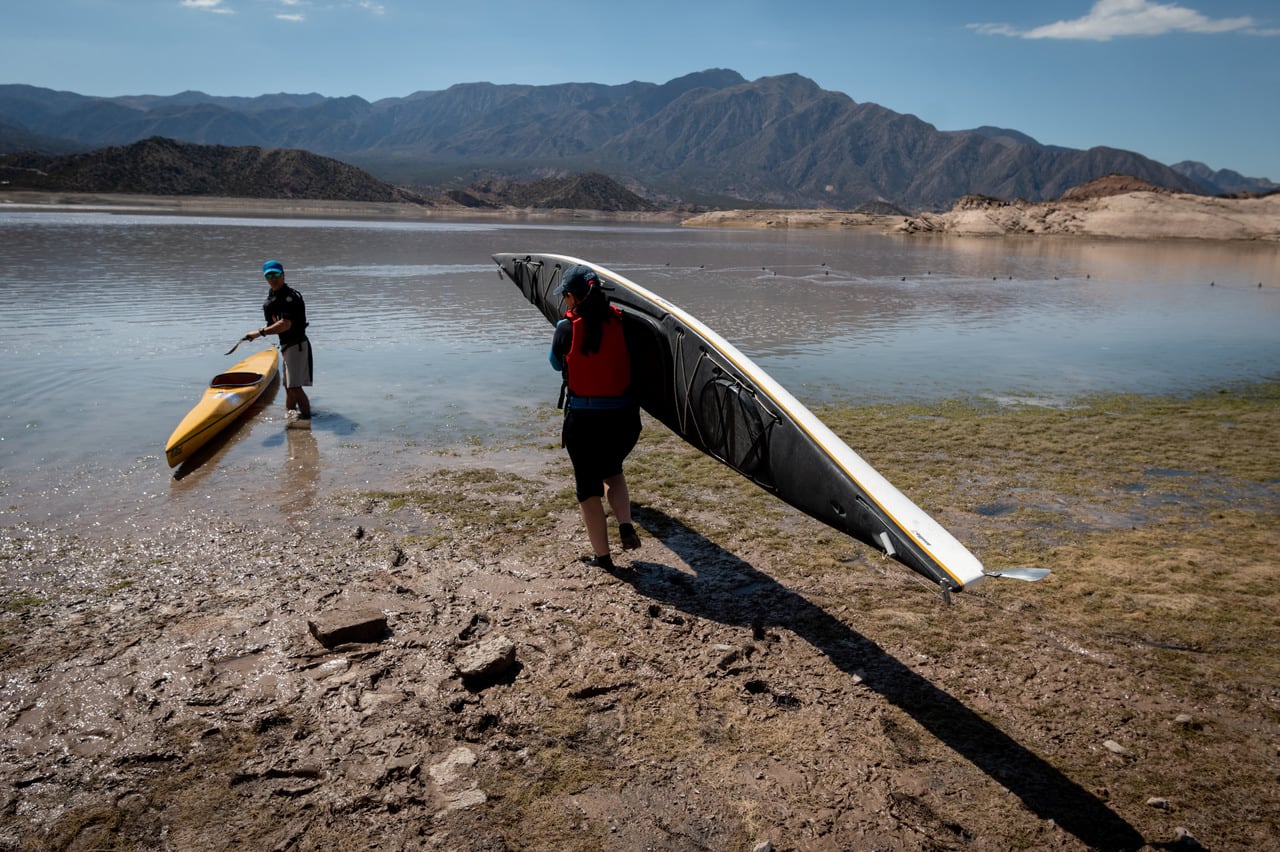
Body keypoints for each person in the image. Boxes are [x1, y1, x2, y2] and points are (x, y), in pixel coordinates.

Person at [549, 264, 642, 569]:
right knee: (612, 470)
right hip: (624, 421)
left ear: (574, 298)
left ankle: (603, 558)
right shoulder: (624, 322)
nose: (565, 303)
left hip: (584, 423)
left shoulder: (565, 328)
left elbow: (554, 364)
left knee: (588, 489)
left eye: (566, 297)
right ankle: (625, 524)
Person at [246, 260, 312, 429]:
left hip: (296, 345)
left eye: (276, 274)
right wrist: (261, 331)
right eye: (269, 275)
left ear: (283, 275)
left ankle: (307, 424)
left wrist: (259, 333)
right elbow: (274, 324)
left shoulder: (289, 298)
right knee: (288, 386)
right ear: (265, 277)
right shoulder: (272, 299)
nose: (273, 278)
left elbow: (285, 324)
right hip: (287, 347)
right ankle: (290, 419)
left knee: (295, 387)